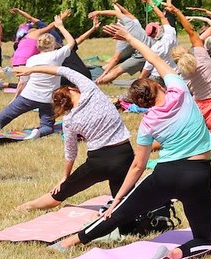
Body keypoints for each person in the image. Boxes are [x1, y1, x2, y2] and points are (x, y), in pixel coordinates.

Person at [52, 24, 211, 259]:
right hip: (198, 173)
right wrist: (130, 36)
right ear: (159, 85)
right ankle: (176, 253)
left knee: (119, 214)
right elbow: (153, 56)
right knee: (207, 239)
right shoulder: (179, 90)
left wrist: (117, 200)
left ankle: (70, 241)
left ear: (143, 105)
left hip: (165, 175)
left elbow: (137, 166)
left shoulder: (147, 123)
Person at [12, 64, 133, 211]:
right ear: (72, 89)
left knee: (59, 194)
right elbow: (63, 70)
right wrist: (31, 69)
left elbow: (70, 152)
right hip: (125, 154)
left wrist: (65, 177)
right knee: (122, 201)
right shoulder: (91, 90)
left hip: (99, 161)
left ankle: (26, 206)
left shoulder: (69, 120)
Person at [0, 14, 75, 139]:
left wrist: (16, 97)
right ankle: (39, 132)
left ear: (38, 46)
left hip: (29, 95)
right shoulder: (57, 55)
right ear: (53, 44)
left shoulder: (31, 60)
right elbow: (71, 42)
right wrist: (60, 26)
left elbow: (23, 82)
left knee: (8, 113)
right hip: (48, 99)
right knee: (48, 126)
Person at [165, 2, 211, 154]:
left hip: (196, 107)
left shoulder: (180, 73)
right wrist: (176, 11)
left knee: (185, 140)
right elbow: (190, 30)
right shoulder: (200, 53)